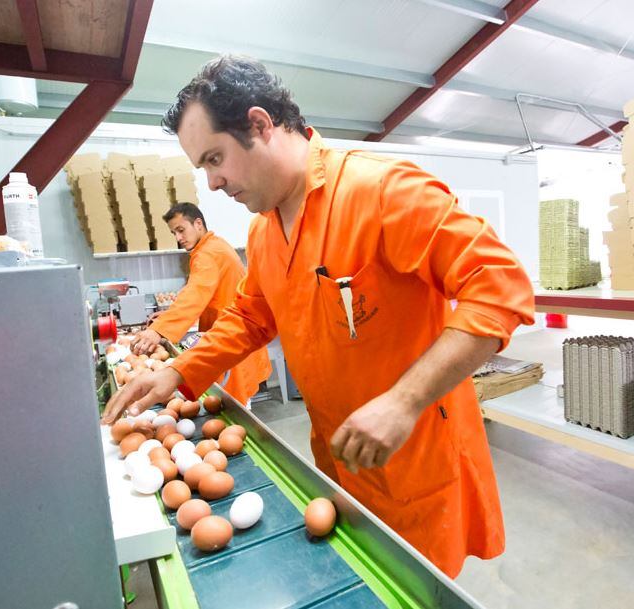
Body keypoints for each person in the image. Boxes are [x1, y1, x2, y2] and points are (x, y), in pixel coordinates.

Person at [103, 55, 534, 578]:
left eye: (215, 159)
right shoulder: (264, 230)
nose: (213, 183)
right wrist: (179, 370)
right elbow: (251, 317)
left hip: (413, 455)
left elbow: (499, 287)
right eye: (203, 168)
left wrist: (404, 400)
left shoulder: (380, 191)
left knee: (417, 586)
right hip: (337, 456)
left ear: (259, 124)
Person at [130, 202, 271, 405]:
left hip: (231, 340)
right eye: (174, 233)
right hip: (234, 336)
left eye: (181, 230)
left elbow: (195, 295)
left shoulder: (207, 254)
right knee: (236, 404)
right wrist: (167, 317)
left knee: (235, 409)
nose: (178, 238)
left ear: (198, 224)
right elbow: (202, 292)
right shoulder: (214, 245)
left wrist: (158, 330)